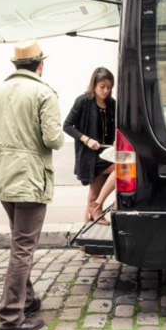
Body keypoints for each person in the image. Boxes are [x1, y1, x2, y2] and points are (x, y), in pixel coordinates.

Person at [0, 38, 64, 330]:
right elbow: (53, 139)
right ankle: (11, 317)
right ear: (41, 65)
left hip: (0, 176)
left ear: (15, 65)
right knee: (23, 247)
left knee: (19, 240)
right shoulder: (43, 91)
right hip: (28, 178)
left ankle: (27, 299)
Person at [63, 67, 117, 226]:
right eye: (102, 86)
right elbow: (67, 125)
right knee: (121, 167)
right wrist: (86, 139)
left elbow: (115, 128)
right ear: (94, 84)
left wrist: (115, 140)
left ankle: (84, 246)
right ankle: (98, 206)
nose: (106, 90)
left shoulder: (111, 103)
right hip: (89, 156)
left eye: (109, 87)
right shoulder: (83, 101)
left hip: (106, 154)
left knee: (91, 199)